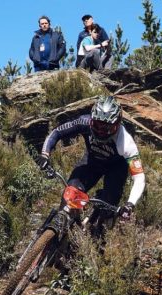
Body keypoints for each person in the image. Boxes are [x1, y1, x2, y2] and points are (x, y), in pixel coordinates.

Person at [37, 96, 145, 234]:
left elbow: (139, 177)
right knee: (70, 194)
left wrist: (130, 205)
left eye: (107, 127)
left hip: (116, 170)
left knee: (108, 210)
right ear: (92, 119)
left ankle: (98, 237)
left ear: (117, 124)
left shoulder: (126, 142)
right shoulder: (84, 121)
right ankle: (59, 230)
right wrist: (45, 155)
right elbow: (57, 132)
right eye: (97, 125)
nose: (100, 131)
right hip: (92, 163)